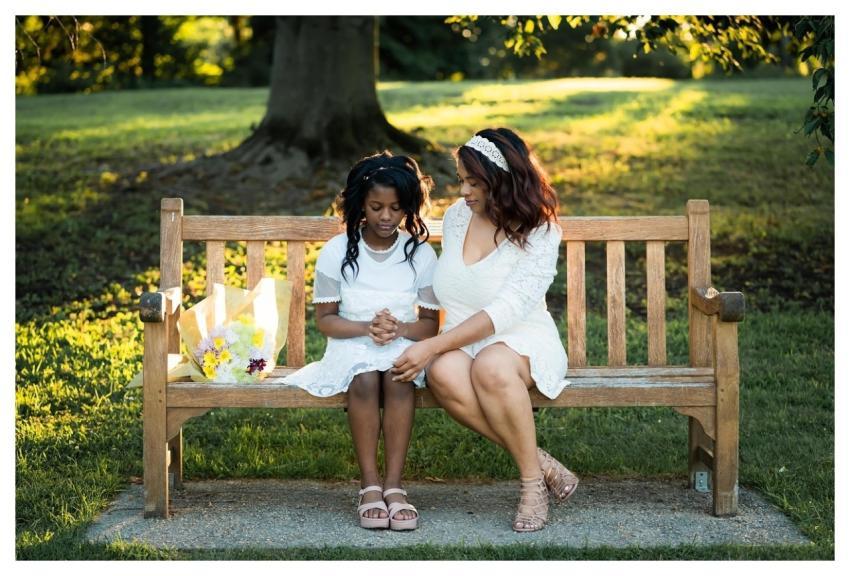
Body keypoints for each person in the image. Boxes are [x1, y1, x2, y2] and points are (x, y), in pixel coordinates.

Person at [391, 128, 578, 532]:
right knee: (441, 371)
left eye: (474, 182)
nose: (464, 192)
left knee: (491, 367)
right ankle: (540, 461)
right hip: (463, 337)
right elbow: (451, 284)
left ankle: (531, 486)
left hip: (520, 337)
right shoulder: (460, 217)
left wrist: (433, 345)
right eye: (461, 180)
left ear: (503, 181)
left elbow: (507, 309)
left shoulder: (540, 229)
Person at [284, 151, 439, 531]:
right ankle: (369, 485)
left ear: (408, 208)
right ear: (360, 206)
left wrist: (399, 331)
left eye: (396, 208)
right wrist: (367, 329)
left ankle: (395, 486)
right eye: (376, 207)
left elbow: (431, 324)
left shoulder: (419, 253)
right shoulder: (338, 251)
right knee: (366, 378)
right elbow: (327, 320)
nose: (386, 217)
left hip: (403, 343)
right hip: (351, 344)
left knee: (399, 377)